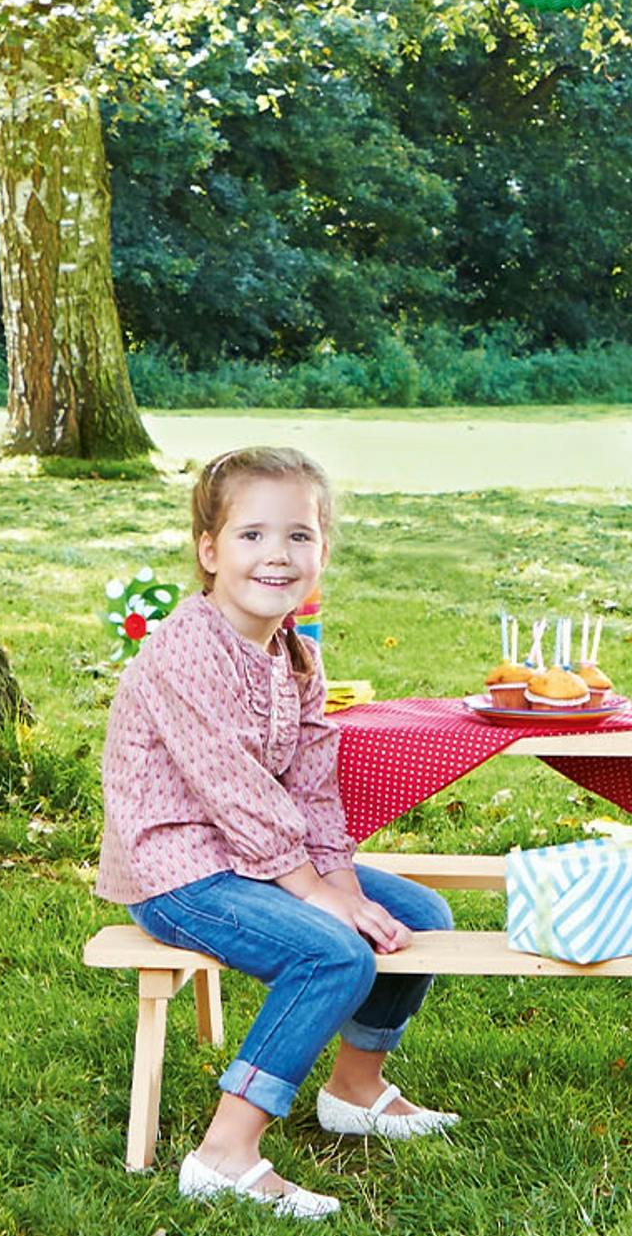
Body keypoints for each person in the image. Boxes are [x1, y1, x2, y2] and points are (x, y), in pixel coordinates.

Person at [97, 446, 455, 1220]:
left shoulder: (300, 655)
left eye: (300, 535)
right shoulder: (183, 651)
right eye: (253, 534)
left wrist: (344, 882)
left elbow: (315, 790)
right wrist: (320, 899)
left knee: (423, 917)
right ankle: (225, 1151)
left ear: (323, 550)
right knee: (332, 953)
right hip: (181, 872)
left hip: (257, 862)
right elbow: (236, 794)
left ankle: (354, 1090)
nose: (277, 554)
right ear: (209, 550)